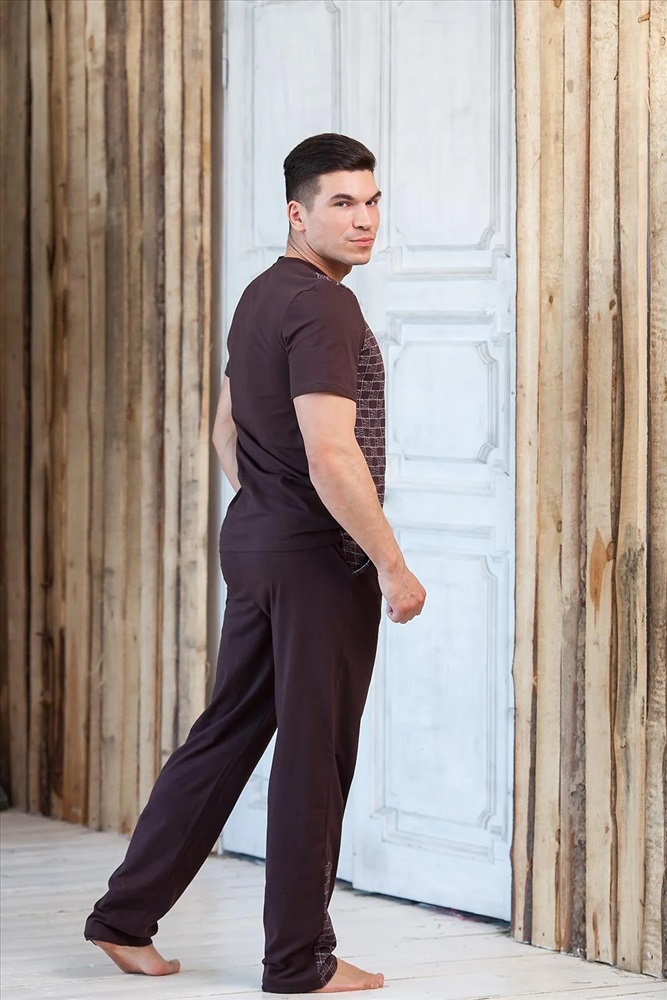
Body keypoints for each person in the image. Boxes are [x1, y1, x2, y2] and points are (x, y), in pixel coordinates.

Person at [83, 133, 426, 994]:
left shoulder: (261, 294)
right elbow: (331, 454)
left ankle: (124, 917)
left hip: (259, 542)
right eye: (341, 203)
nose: (363, 220)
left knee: (227, 732)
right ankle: (299, 959)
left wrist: (270, 509)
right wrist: (389, 564)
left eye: (371, 201)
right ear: (296, 213)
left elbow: (224, 430)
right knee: (315, 754)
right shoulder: (326, 308)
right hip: (316, 559)